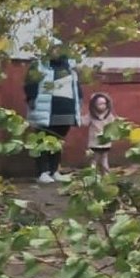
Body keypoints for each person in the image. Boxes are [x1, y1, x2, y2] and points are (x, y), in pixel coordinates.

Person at [24, 43, 84, 184]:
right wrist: (31, 98)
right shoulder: (38, 65)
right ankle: (42, 173)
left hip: (66, 110)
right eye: (52, 48)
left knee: (57, 141)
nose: (56, 51)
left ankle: (54, 170)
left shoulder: (69, 67)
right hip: (46, 109)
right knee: (42, 140)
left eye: (58, 49)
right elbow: (30, 83)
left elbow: (76, 85)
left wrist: (80, 99)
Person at [86, 92, 115, 174]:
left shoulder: (109, 115)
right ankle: (92, 174)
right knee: (94, 158)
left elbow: (113, 124)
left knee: (105, 158)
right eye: (99, 104)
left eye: (104, 103)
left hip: (105, 141)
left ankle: (106, 174)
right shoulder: (91, 115)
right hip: (94, 142)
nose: (102, 106)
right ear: (94, 105)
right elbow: (84, 122)